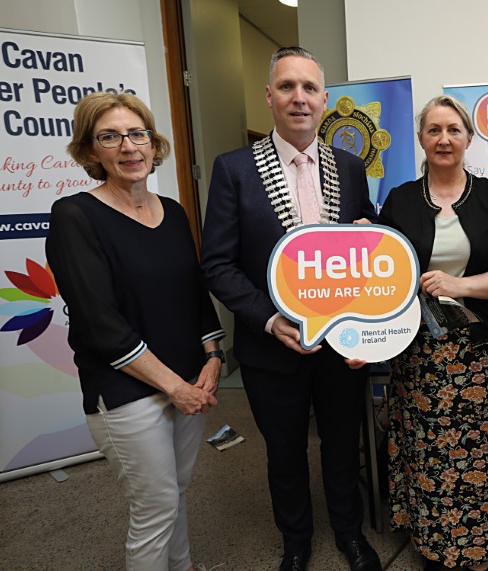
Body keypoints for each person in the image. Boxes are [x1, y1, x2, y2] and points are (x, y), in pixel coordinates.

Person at [200, 47, 380, 571]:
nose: (298, 98)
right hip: (269, 342)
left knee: (343, 445)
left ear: (325, 100)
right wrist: (270, 318)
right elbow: (217, 264)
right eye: (287, 87)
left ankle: (349, 532)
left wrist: (370, 239)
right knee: (283, 451)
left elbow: (364, 252)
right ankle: (295, 541)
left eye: (309, 88)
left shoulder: (349, 166)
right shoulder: (233, 169)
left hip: (341, 343)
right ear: (269, 96)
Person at [46, 92, 225, 571]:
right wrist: (175, 387)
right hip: (128, 390)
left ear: (152, 142)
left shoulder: (174, 211)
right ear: (89, 152)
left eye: (137, 133)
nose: (128, 147)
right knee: (155, 507)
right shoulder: (74, 215)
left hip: (189, 379)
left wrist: (213, 357)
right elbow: (100, 325)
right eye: (110, 136)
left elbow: (194, 294)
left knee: (176, 494)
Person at [377, 95, 488, 570]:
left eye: (454, 130)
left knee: (483, 451)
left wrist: (459, 285)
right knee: (427, 452)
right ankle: (434, 543)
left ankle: (479, 545)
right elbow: (383, 277)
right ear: (421, 139)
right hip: (420, 350)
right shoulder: (400, 199)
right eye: (434, 130)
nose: (444, 139)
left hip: (480, 350)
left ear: (468, 137)